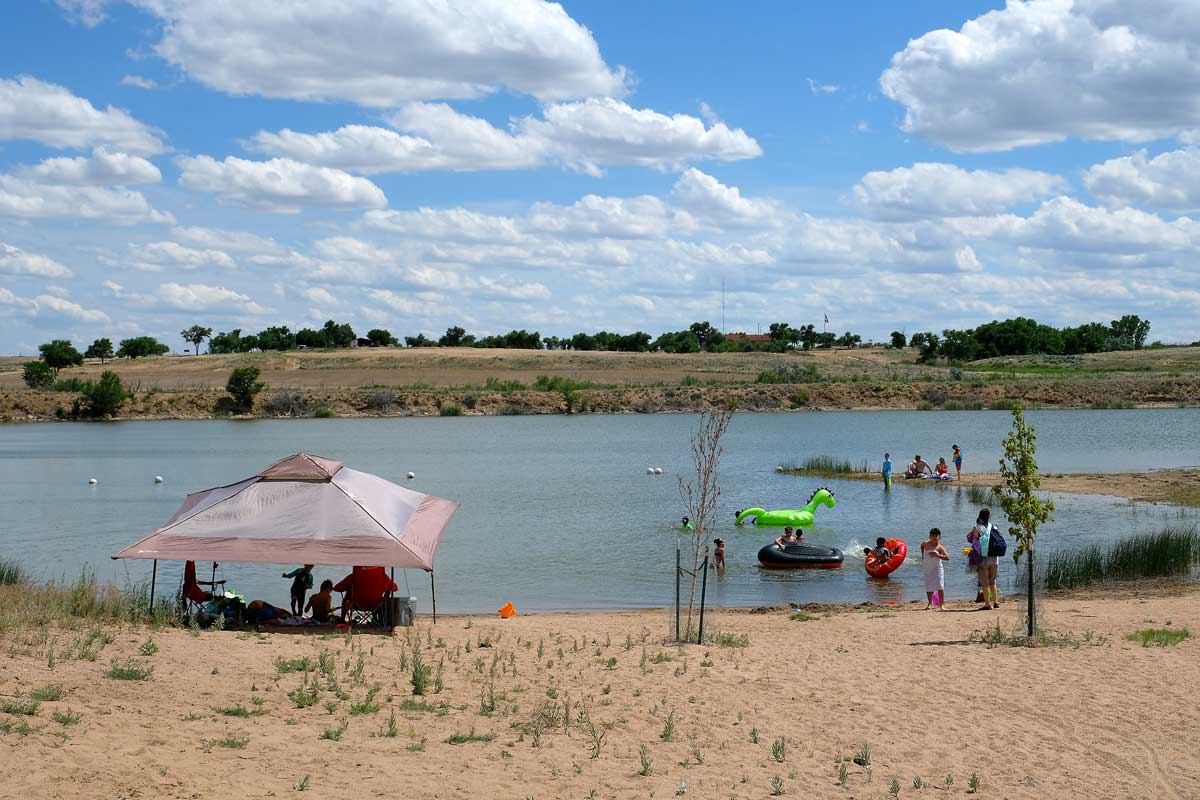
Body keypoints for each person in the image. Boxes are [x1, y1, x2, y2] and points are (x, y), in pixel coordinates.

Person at [968, 509, 1000, 609]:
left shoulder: (977, 528)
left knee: (984, 582)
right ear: (989, 517)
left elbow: (974, 543)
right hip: (995, 558)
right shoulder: (994, 527)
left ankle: (987, 604)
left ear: (979, 517)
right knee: (993, 581)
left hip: (983, 558)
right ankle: (995, 602)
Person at [921, 528, 950, 609]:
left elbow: (947, 557)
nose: (934, 537)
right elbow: (921, 545)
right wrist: (922, 555)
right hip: (927, 568)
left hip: (937, 569)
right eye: (932, 536)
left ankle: (942, 604)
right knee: (928, 586)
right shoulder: (925, 544)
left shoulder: (940, 547)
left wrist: (937, 555)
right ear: (929, 536)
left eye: (936, 536)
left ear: (939, 537)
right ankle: (930, 603)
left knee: (940, 586)